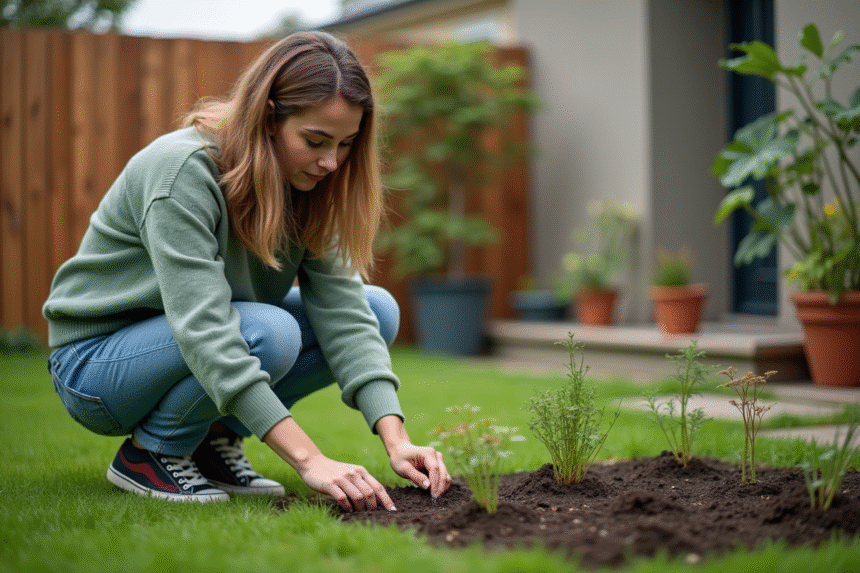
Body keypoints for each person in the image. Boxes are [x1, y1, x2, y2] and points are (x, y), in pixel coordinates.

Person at [42, 30, 451, 510]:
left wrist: (395, 437)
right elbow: (205, 327)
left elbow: (344, 312)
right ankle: (150, 454)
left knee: (375, 308)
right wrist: (310, 460)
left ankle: (213, 441)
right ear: (269, 116)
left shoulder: (311, 185)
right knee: (270, 330)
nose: (331, 163)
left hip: (196, 339)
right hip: (96, 366)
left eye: (345, 144)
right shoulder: (183, 171)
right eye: (315, 140)